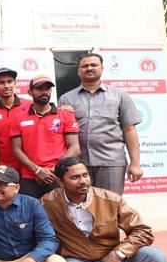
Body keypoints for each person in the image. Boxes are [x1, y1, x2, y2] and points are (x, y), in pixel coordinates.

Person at [58, 53, 143, 194]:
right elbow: (60, 133)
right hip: (78, 164)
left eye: (94, 65)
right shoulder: (66, 99)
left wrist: (135, 163)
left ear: (102, 68)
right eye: (85, 66)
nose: (89, 68)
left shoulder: (120, 96)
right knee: (81, 206)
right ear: (78, 71)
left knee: (110, 206)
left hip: (111, 162)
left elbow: (129, 130)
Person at [10, 74, 80, 198]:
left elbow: (74, 147)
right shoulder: (18, 118)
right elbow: (16, 149)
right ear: (30, 92)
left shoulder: (65, 115)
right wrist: (37, 170)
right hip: (30, 177)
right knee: (29, 216)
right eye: (39, 89)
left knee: (60, 216)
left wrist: (54, 170)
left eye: (47, 88)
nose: (44, 92)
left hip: (58, 176)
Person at [0, 67, 31, 172]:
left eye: (10, 81)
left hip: (28, 167)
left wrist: (64, 109)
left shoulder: (30, 105)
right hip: (2, 169)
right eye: (2, 82)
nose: (6, 86)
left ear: (15, 83)